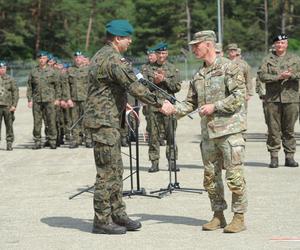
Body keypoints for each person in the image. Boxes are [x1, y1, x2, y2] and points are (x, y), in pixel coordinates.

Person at [83, 19, 168, 235]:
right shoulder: (112, 59)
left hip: (109, 120)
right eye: (127, 38)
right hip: (104, 122)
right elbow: (135, 87)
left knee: (116, 169)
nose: (130, 41)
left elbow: (113, 88)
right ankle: (101, 220)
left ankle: (117, 213)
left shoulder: (101, 55)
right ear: (117, 38)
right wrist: (161, 103)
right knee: (106, 172)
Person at [162, 30, 248, 233]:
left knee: (234, 177)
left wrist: (215, 106)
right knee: (210, 177)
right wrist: (173, 109)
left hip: (229, 132)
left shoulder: (230, 67)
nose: (193, 49)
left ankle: (239, 217)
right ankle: (218, 215)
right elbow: (191, 102)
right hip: (209, 135)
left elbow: (239, 96)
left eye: (196, 45)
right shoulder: (199, 75)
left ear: (208, 45)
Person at [258, 34, 300, 168]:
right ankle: (274, 157)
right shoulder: (267, 59)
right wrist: (278, 77)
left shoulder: (295, 59)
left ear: (286, 44)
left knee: (289, 129)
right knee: (273, 129)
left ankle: (289, 157)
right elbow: (262, 76)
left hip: (291, 98)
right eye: (278, 43)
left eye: (283, 43)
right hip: (273, 99)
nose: (280, 45)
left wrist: (291, 75)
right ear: (274, 45)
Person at [143, 42, 181, 173]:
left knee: (171, 135)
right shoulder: (146, 69)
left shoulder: (172, 68)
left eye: (163, 53)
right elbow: (142, 88)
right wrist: (155, 82)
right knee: (153, 135)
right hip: (153, 106)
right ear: (155, 54)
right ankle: (154, 162)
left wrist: (164, 80)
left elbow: (177, 87)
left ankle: (172, 161)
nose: (161, 55)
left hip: (169, 105)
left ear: (167, 54)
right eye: (158, 53)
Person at [26, 51, 60, 149]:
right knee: (37, 122)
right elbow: (29, 86)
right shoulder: (33, 71)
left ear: (47, 59)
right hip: (37, 100)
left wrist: (57, 98)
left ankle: (52, 140)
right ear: (38, 59)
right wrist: (29, 99)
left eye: (44, 58)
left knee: (51, 121)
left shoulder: (52, 71)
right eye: (40, 58)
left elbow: (57, 86)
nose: (42, 60)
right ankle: (37, 141)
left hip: (50, 100)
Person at [66, 51, 92, 148]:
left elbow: (92, 85)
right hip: (74, 99)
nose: (78, 59)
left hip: (86, 99)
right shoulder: (70, 70)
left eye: (80, 57)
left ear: (83, 58)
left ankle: (88, 139)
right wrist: (68, 98)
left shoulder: (89, 70)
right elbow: (66, 86)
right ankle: (76, 139)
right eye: (76, 57)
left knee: (87, 119)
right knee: (74, 120)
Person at [0, 60, 19, 150]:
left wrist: (14, 105)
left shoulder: (11, 79)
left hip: (8, 106)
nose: (1, 69)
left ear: (6, 69)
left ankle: (9, 142)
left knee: (9, 125)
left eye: (3, 68)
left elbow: (15, 93)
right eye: (0, 68)